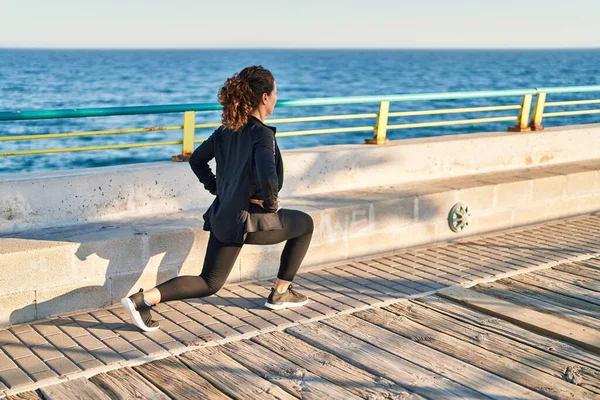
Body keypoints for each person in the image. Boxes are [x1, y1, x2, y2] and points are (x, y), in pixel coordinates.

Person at [121, 66, 314, 332]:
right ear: (265, 98)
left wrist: (219, 190)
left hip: (224, 215)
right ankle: (281, 292)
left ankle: (143, 299)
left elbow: (197, 161)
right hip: (250, 220)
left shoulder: (225, 131)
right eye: (276, 92)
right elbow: (268, 177)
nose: (277, 98)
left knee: (209, 282)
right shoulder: (262, 134)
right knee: (305, 224)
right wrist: (270, 204)